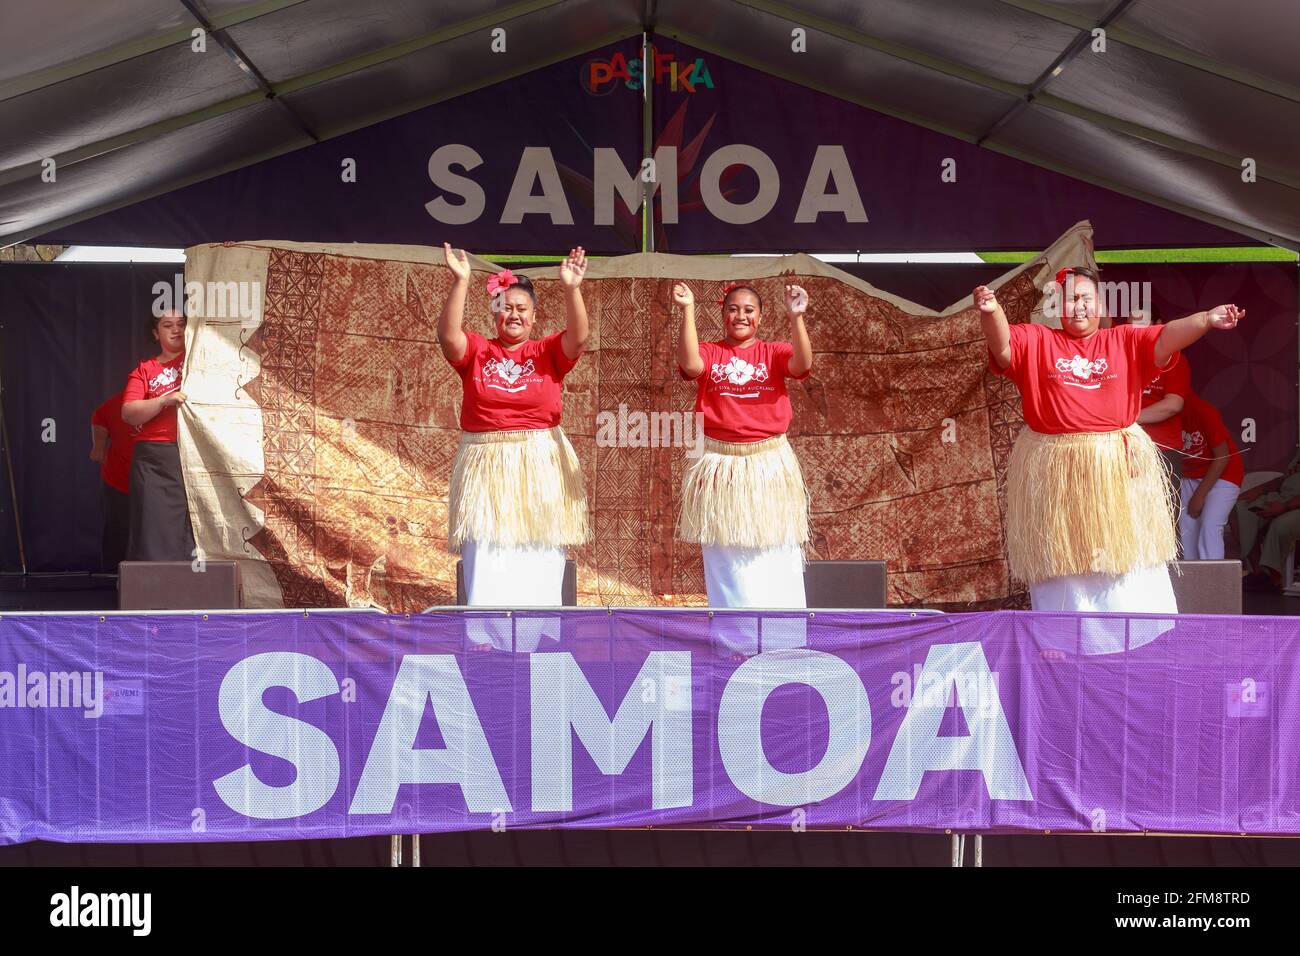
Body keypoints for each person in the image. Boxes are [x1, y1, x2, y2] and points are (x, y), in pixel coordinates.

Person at [978, 267, 1243, 612]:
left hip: (1116, 463)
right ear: (1058, 305)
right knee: (1063, 552)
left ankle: (1132, 634)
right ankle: (1066, 636)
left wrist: (1207, 319)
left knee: (1125, 552)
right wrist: (991, 311)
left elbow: (1167, 337)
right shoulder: (1038, 339)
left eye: (1086, 298)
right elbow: (1002, 346)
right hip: (1056, 468)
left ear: (1099, 304)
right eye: (1071, 299)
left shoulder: (1123, 340)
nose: (1079, 306)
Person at [438, 243, 590, 617]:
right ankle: (488, 639)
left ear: (534, 317)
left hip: (539, 459)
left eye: (522, 309)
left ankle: (537, 636)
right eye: (506, 307)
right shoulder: (478, 350)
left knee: (538, 550)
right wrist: (461, 282)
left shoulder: (547, 351)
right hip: (485, 460)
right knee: (488, 549)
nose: (514, 314)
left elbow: (579, 338)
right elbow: (447, 338)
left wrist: (572, 289)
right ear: (495, 313)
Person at [675, 279, 812, 616]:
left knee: (776, 548)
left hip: (768, 463)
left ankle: (784, 637)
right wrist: (688, 310)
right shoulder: (710, 351)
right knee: (726, 553)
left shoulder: (774, 351)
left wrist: (797, 318)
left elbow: (802, 365)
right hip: (721, 462)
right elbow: (691, 366)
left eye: (748, 310)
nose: (741, 316)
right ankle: (733, 638)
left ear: (760, 317)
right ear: (723, 315)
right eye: (733, 309)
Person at [121, 309, 196, 561]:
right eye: (167, 325)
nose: (176, 330)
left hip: (195, 453)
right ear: (155, 333)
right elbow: (129, 413)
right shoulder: (145, 369)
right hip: (154, 458)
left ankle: (191, 589)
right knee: (151, 526)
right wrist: (164, 401)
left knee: (193, 523)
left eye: (181, 324)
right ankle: (153, 592)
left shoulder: (200, 362)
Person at [1177, 394, 1242, 560]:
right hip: (1190, 474)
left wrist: (1199, 495)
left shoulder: (1203, 410)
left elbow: (1223, 456)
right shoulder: (1161, 412)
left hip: (1223, 473)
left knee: (1210, 525)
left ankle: (1213, 583)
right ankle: (1191, 580)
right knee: (1187, 528)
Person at [1237, 448, 1300, 592]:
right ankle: (1258, 572)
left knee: (1280, 525)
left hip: (1293, 505)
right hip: (1284, 498)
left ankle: (1274, 580)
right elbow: (1286, 478)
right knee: (1242, 508)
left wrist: (1285, 507)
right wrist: (1260, 489)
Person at [90, 390, 136, 571]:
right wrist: (98, 447)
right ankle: (112, 574)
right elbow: (100, 417)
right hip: (117, 479)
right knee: (116, 530)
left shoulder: (164, 403)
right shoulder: (115, 405)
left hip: (153, 482)